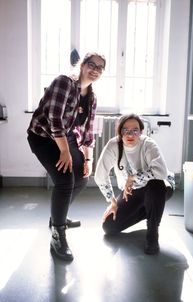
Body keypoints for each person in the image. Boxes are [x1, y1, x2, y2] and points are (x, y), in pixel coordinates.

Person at [27, 52, 106, 261]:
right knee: (64, 182)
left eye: (100, 68)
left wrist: (88, 159)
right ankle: (57, 235)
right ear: (82, 65)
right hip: (43, 137)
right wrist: (64, 151)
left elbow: (89, 130)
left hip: (67, 137)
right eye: (92, 65)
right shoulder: (64, 83)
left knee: (81, 178)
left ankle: (57, 216)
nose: (95, 70)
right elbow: (55, 120)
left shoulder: (92, 97)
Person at [94, 113, 175, 255]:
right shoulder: (113, 145)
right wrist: (112, 202)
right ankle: (150, 210)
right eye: (125, 130)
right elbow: (100, 175)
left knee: (154, 185)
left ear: (141, 132)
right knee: (109, 227)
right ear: (120, 132)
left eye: (135, 130)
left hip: (160, 187)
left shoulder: (148, 144)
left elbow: (161, 172)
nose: (130, 134)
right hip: (133, 191)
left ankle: (152, 231)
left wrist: (133, 177)